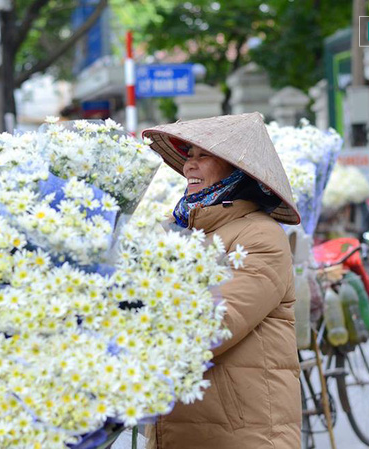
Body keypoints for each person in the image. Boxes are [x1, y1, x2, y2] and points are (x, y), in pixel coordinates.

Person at [141, 112, 302, 449]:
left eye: (203, 156)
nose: (189, 167)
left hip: (244, 433)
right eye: (188, 156)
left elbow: (218, 322)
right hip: (185, 430)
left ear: (237, 170)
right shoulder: (184, 232)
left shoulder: (260, 236)